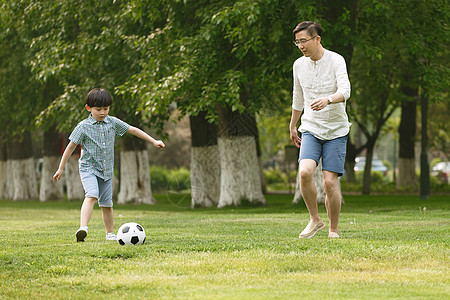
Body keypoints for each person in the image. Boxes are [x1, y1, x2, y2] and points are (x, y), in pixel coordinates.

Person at [53, 88, 165, 242]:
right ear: (88, 108)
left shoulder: (112, 122)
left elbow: (132, 129)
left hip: (106, 170)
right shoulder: (83, 126)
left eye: (105, 109)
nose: (102, 113)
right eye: (98, 109)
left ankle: (109, 233)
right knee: (91, 195)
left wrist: (154, 141)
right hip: (88, 169)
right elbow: (70, 147)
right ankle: (83, 228)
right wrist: (60, 168)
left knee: (107, 204)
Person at [289, 21, 351, 239]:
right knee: (305, 172)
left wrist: (328, 99)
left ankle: (333, 230)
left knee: (329, 182)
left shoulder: (336, 60)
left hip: (336, 130)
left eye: (304, 41)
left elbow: (346, 90)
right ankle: (315, 220)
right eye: (297, 43)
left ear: (317, 39)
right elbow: (298, 98)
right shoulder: (298, 65)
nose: (301, 46)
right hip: (311, 128)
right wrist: (293, 124)